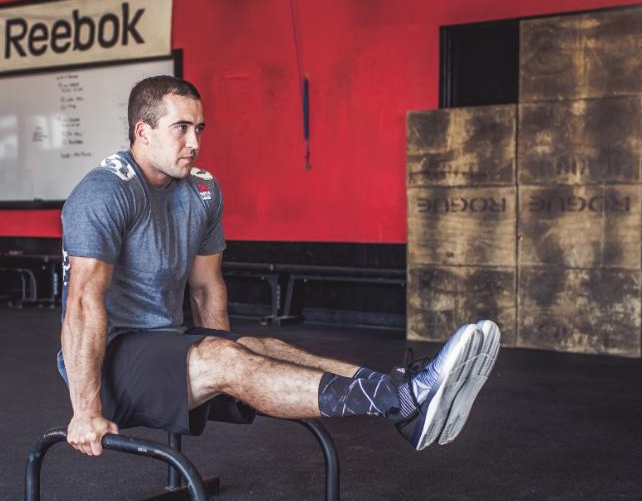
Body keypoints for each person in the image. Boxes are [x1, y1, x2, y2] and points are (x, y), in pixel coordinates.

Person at [57, 76, 499, 457]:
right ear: (143, 131)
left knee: (262, 345)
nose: (195, 143)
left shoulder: (202, 190)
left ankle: (404, 389)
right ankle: (402, 400)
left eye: (199, 128)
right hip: (106, 364)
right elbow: (82, 302)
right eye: (182, 128)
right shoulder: (105, 192)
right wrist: (86, 411)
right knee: (228, 357)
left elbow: (207, 288)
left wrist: (231, 363)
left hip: (163, 341)